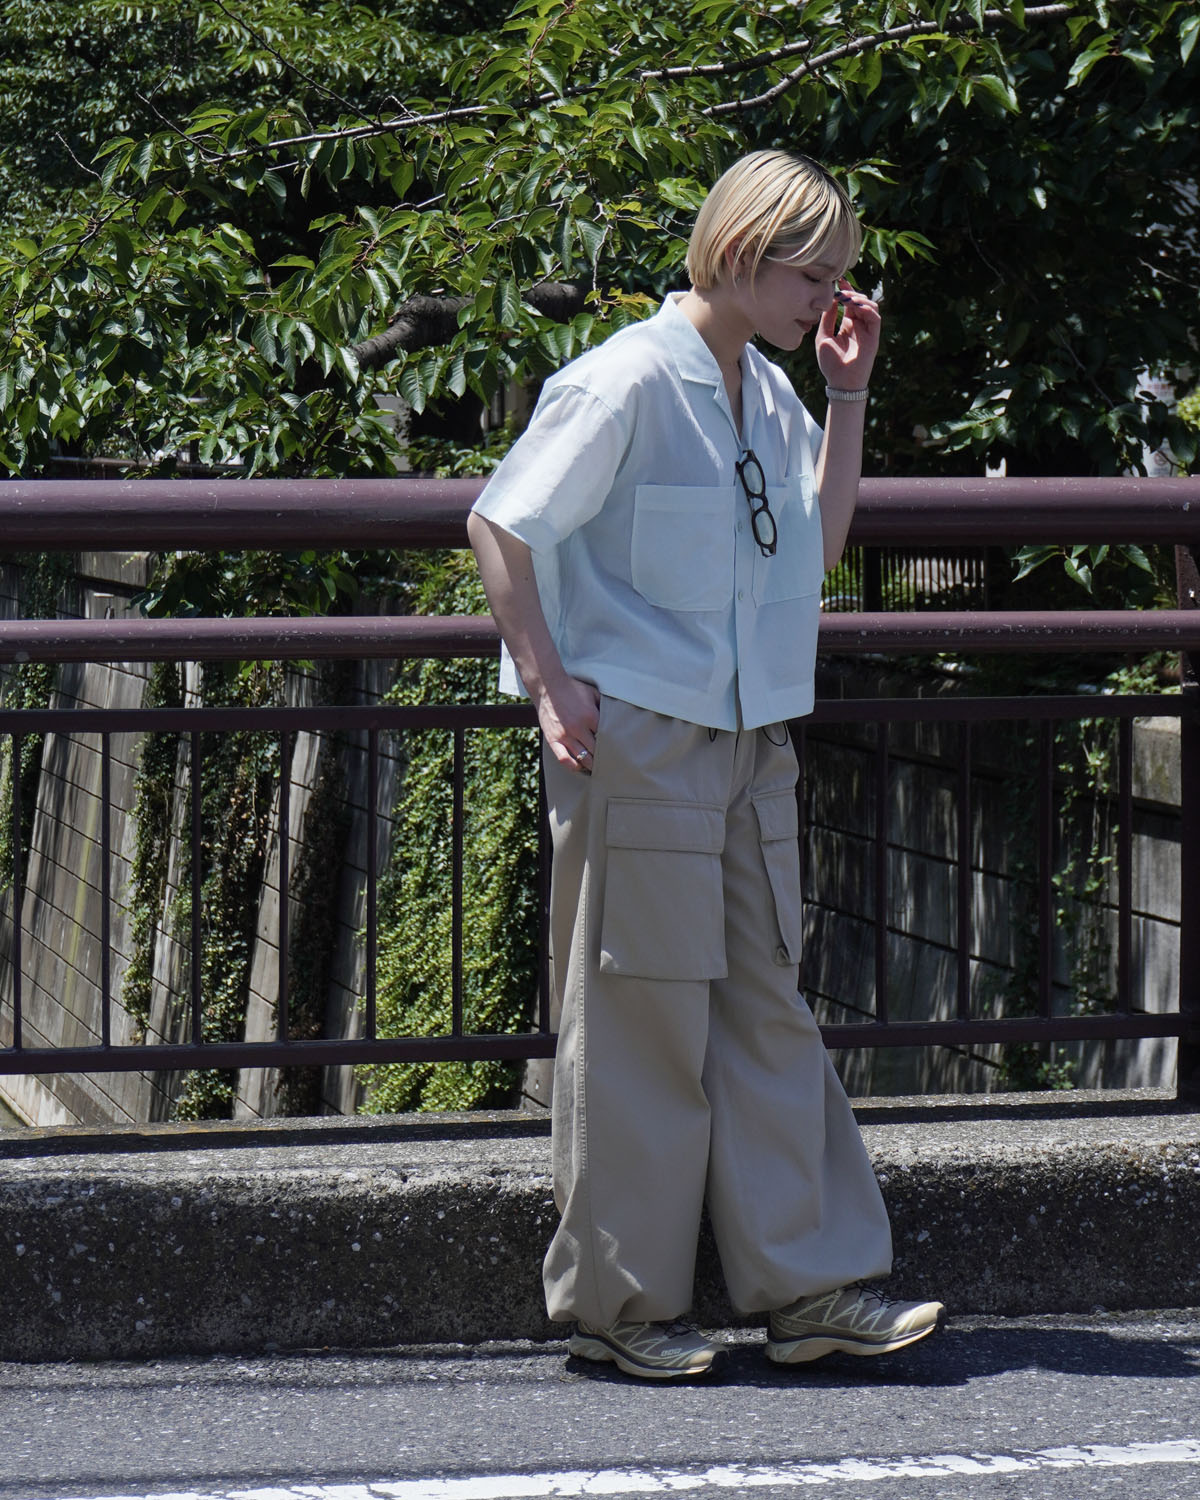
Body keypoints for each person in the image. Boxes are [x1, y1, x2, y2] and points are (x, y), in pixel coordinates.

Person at [467, 149, 944, 1381]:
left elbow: (817, 546)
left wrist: (848, 395)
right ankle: (621, 1307)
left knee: (765, 1009)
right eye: (812, 275)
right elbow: (501, 522)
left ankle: (813, 1289)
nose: (829, 299)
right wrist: (551, 684)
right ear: (740, 251)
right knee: (639, 1019)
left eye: (836, 277)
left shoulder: (768, 391)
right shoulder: (624, 378)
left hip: (747, 739)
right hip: (642, 736)